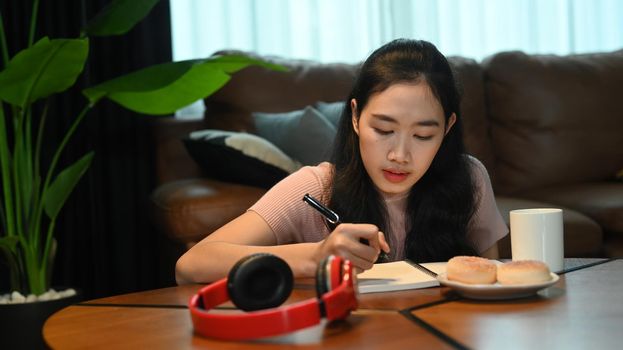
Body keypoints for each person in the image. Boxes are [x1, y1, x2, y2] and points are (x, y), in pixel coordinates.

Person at [175, 39, 508, 284]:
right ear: (355, 117)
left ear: (448, 128)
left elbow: (490, 282)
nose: (400, 155)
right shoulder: (316, 187)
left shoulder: (470, 177)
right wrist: (316, 255)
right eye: (383, 129)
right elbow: (191, 265)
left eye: (423, 136)